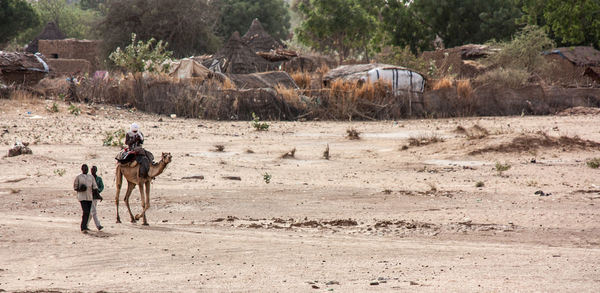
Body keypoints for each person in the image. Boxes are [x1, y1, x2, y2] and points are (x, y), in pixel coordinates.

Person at [73, 164, 98, 233]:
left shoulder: (91, 177)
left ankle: (85, 226)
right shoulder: (78, 177)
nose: (86, 170)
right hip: (82, 197)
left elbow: (95, 187)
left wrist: (97, 195)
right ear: (82, 169)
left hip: (89, 197)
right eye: (84, 169)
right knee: (85, 211)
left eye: (87, 168)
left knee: (88, 212)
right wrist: (80, 189)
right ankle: (83, 227)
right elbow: (75, 187)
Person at [89, 166, 104, 231]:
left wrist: (98, 190)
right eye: (92, 170)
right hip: (89, 196)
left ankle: (85, 225)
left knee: (91, 213)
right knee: (94, 211)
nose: (93, 171)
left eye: (94, 170)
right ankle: (98, 225)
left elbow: (102, 186)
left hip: (95, 197)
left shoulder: (99, 179)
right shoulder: (88, 178)